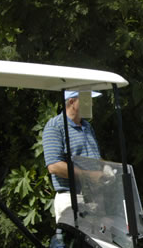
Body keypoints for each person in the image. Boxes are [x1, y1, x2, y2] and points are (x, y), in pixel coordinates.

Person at [42, 90, 105, 223]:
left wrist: (106, 170)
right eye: (87, 100)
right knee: (77, 243)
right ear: (72, 102)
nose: (92, 104)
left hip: (95, 199)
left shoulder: (87, 126)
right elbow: (54, 166)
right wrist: (90, 175)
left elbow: (95, 159)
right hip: (72, 200)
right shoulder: (55, 126)